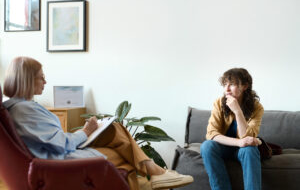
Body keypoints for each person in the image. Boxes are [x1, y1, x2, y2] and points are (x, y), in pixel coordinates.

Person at [3, 56, 193, 190]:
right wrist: (86, 131)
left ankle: (152, 175)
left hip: (55, 155)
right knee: (122, 157)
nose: (45, 81)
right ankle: (152, 176)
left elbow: (52, 139)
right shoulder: (24, 110)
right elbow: (60, 143)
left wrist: (90, 131)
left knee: (115, 129)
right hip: (57, 162)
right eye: (41, 77)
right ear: (27, 80)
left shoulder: (23, 107)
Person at [200, 68, 264, 190]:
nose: (227, 89)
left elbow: (247, 137)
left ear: (245, 86)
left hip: (243, 151)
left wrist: (237, 111)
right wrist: (239, 142)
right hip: (223, 148)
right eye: (225, 84)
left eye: (232, 84)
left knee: (250, 149)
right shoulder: (219, 103)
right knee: (207, 146)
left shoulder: (257, 107)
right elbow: (212, 134)